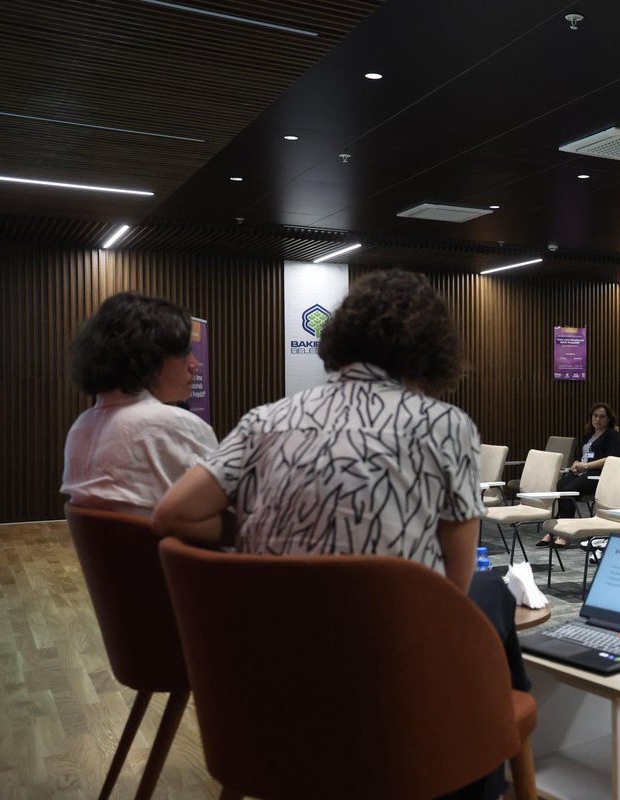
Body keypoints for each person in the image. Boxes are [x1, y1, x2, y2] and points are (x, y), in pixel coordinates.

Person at [152, 269, 525, 800]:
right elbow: (453, 586)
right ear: (432, 349)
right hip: (389, 692)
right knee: (493, 594)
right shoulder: (447, 425)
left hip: (268, 687)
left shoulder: (265, 418)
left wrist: (264, 523)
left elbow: (172, 515)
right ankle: (490, 740)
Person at [61, 292, 217, 516]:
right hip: (167, 551)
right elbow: (232, 509)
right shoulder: (173, 425)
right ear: (147, 358)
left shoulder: (81, 427)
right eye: (184, 353)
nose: (195, 363)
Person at [538, 402, 620, 545]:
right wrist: (576, 463)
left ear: (608, 419)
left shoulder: (612, 435)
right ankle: (555, 529)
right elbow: (583, 456)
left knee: (568, 490)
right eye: (595, 416)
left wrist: (586, 466)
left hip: (598, 476)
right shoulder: (589, 435)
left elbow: (611, 459)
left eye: (602, 417)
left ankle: (564, 534)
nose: (598, 419)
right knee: (560, 486)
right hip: (583, 472)